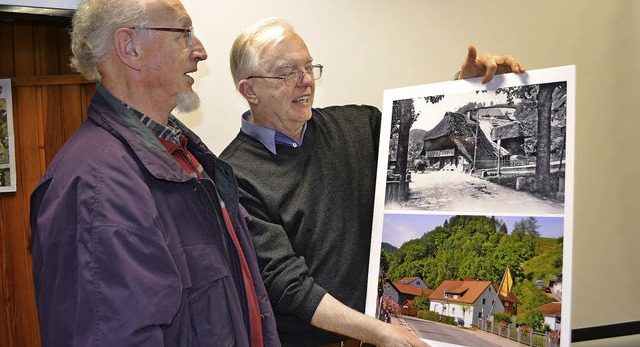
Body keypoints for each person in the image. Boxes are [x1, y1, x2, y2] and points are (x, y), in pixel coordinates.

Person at [220, 18, 525, 347]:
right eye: (287, 73)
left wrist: (465, 89)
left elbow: (420, 145)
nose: (306, 81)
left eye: (308, 67)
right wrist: (378, 332)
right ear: (250, 90)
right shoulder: (234, 175)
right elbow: (289, 286)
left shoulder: (359, 126)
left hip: (383, 335)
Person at [29, 0, 279, 346]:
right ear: (129, 48)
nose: (201, 51)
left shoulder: (183, 154)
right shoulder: (96, 188)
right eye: (184, 33)